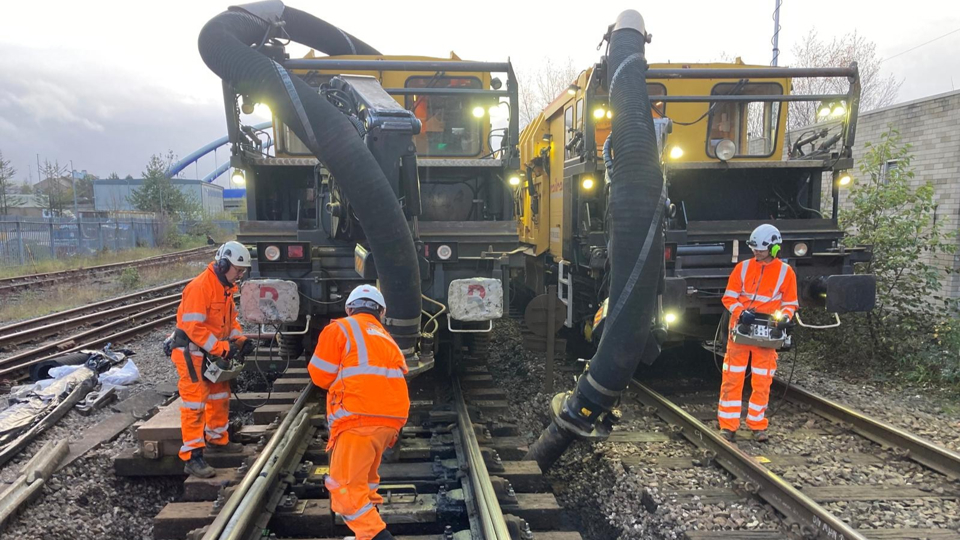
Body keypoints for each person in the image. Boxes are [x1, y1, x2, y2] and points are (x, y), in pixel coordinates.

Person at [307, 284, 410, 540]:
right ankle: (366, 535)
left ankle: (377, 536)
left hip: (357, 421)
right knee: (365, 484)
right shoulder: (387, 338)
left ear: (350, 308)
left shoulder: (340, 328)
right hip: (389, 424)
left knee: (344, 491)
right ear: (381, 313)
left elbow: (320, 376)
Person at [171, 241, 254, 477]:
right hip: (193, 354)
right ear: (223, 264)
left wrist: (240, 340)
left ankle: (218, 439)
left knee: (219, 395)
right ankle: (192, 456)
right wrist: (222, 348)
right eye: (238, 270)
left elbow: (229, 323)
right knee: (195, 403)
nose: (240, 275)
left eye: (242, 271)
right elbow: (193, 328)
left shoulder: (225, 289)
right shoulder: (200, 287)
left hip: (211, 354)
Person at [718, 224, 798, 443]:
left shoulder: (785, 272)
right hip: (741, 330)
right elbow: (728, 297)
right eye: (754, 249)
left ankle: (757, 425)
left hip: (768, 333)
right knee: (732, 379)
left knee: (762, 381)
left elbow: (790, 303)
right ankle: (728, 426)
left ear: (774, 249)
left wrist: (785, 320)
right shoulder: (742, 268)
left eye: (761, 251)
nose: (757, 253)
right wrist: (741, 312)